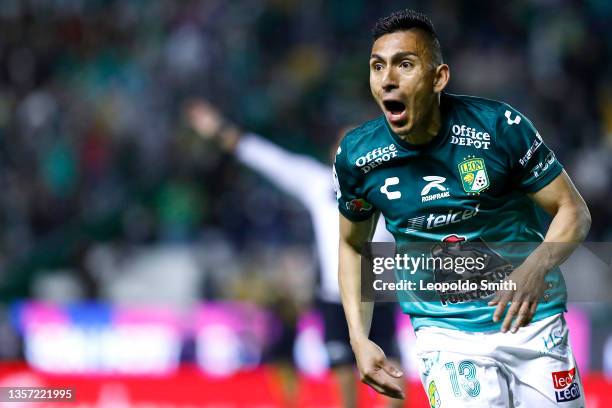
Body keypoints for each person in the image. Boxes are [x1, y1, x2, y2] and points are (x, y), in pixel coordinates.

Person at [334, 9, 590, 407]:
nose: (388, 80)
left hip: (532, 323)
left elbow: (573, 212)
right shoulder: (358, 155)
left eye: (404, 64)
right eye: (377, 66)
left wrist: (535, 267)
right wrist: (358, 338)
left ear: (439, 78)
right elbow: (354, 246)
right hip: (445, 335)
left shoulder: (499, 127)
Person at [186, 101, 405, 407]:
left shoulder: (392, 187)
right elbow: (267, 158)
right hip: (334, 292)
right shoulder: (318, 182)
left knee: (389, 370)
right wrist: (219, 129)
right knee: (341, 371)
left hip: (377, 286)